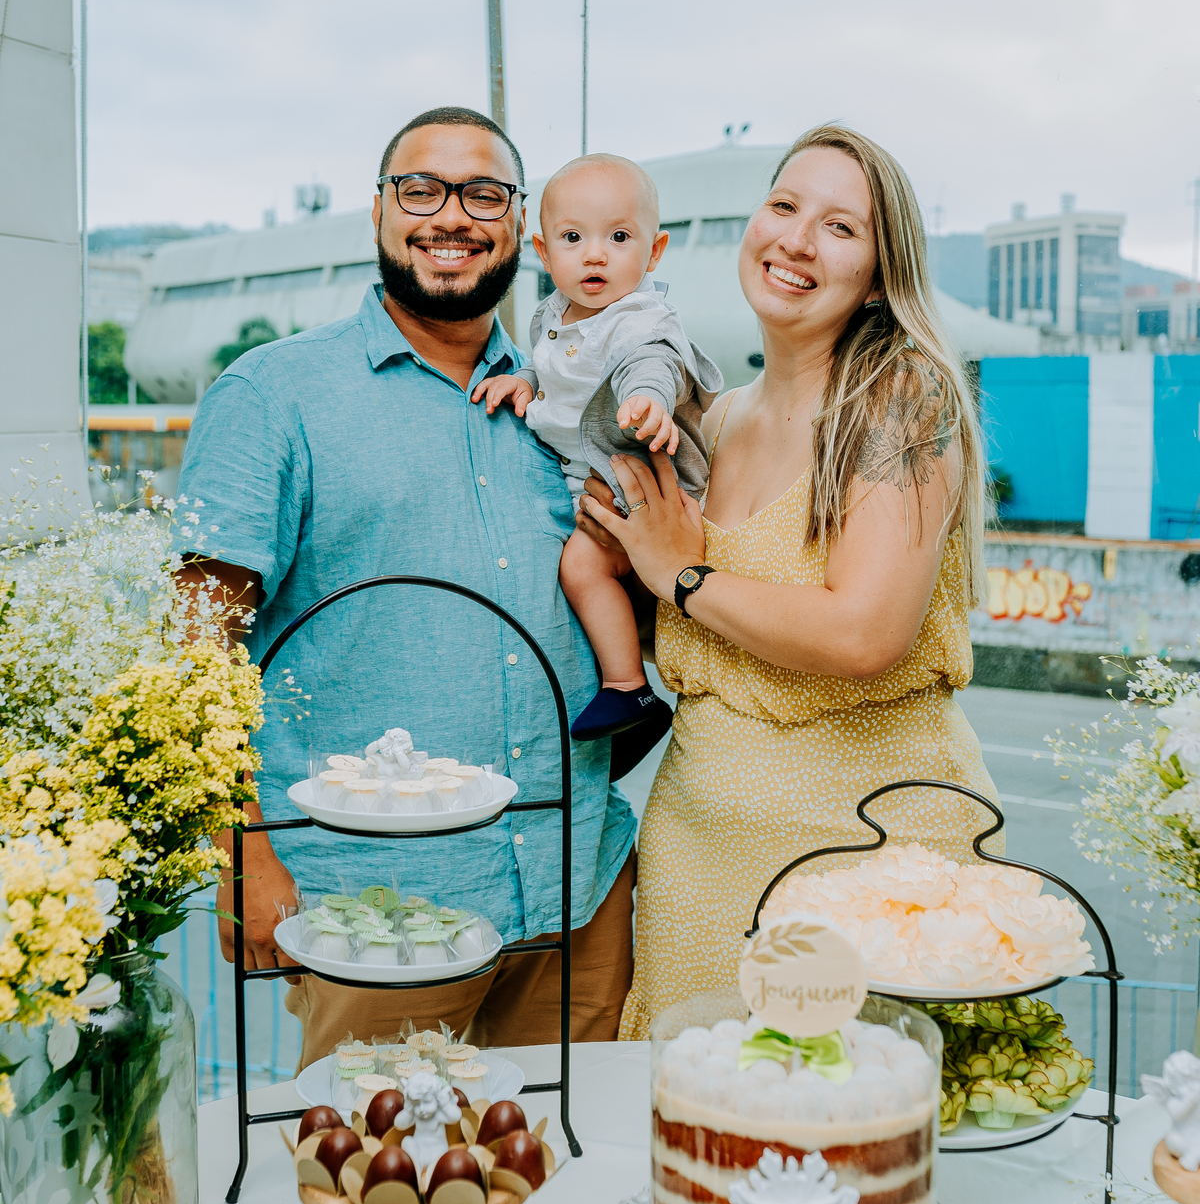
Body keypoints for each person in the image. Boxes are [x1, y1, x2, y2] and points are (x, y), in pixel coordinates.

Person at [177, 107, 637, 1064]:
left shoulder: (573, 403)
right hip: (376, 913)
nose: (452, 217)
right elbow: (194, 652)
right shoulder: (272, 395)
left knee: (561, 1180)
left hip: (576, 883)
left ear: (523, 228)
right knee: (366, 1192)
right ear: (379, 210)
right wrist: (240, 851)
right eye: (421, 189)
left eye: (485, 194)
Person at [575, 125, 1001, 1038]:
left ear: (882, 272)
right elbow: (710, 642)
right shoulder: (716, 420)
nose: (798, 241)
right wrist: (618, 550)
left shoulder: (899, 397)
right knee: (703, 1143)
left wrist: (678, 571)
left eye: (841, 227)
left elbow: (863, 633)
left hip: (864, 865)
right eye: (783, 206)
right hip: (699, 862)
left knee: (859, 1138)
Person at [473, 153, 721, 742]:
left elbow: (652, 363)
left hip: (640, 479)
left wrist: (649, 402)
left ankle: (627, 689)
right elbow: (552, 370)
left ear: (653, 252)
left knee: (583, 567)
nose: (594, 253)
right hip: (589, 472)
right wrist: (524, 382)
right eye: (573, 237)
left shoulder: (637, 318)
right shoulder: (552, 316)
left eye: (618, 237)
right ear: (543, 251)